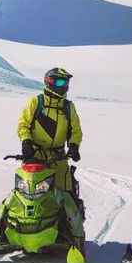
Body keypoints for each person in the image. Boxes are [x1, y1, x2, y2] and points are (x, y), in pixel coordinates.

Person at [16, 67, 84, 240]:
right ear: (50, 82)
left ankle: (75, 235)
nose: (65, 86)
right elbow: (23, 124)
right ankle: (10, 228)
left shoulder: (68, 107)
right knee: (25, 194)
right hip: (35, 157)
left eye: (66, 82)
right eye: (61, 82)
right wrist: (26, 141)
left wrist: (74, 146)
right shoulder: (36, 103)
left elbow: (76, 130)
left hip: (59, 159)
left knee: (66, 196)